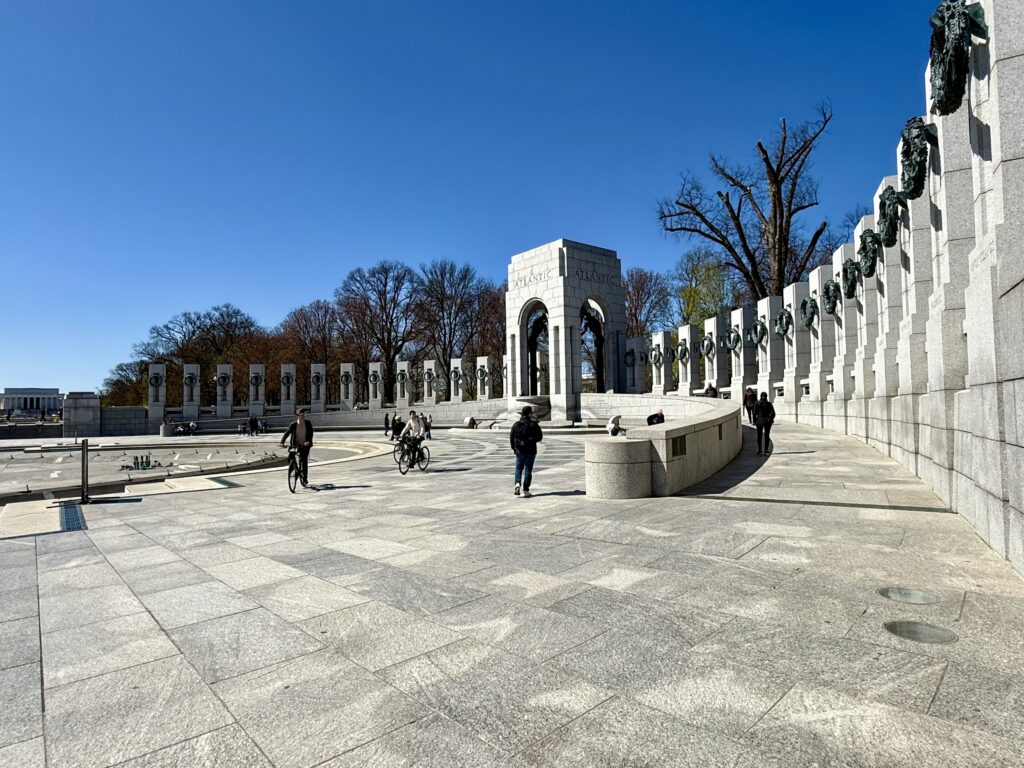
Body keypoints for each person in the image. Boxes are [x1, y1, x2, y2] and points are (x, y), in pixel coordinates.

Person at [510, 405, 543, 497]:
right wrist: (532, 439)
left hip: (519, 451)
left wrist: (515, 449)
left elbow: (512, 438)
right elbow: (540, 437)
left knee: (518, 468)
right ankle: (526, 489)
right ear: (529, 413)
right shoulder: (533, 424)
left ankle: (517, 484)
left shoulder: (516, 424)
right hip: (531, 451)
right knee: (528, 469)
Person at [281, 409, 314, 486]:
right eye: (300, 415)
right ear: (297, 415)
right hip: (295, 445)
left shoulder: (308, 423)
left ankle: (305, 478)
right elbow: (287, 433)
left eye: (303, 415)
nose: (302, 416)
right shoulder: (293, 424)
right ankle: (295, 469)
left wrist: (309, 441)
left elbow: (311, 433)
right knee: (290, 458)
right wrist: (282, 442)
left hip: (305, 445)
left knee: (304, 461)